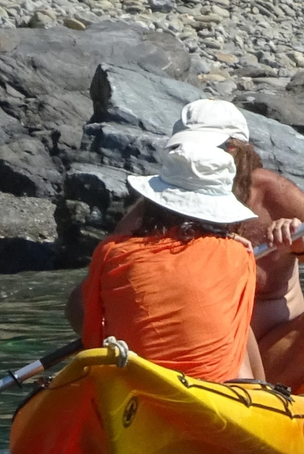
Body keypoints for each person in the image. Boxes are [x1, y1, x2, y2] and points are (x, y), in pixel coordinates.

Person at [174, 99, 304, 388]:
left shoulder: (273, 195)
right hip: (195, 355)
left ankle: (261, 404)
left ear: (236, 151)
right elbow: (90, 294)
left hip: (273, 359)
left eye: (204, 151)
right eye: (185, 151)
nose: (193, 161)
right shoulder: (166, 199)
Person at [66, 131, 264, 383]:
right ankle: (268, 394)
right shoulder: (239, 255)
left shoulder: (111, 252)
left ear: (153, 202)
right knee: (240, 331)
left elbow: (92, 335)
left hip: (133, 383)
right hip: (215, 392)